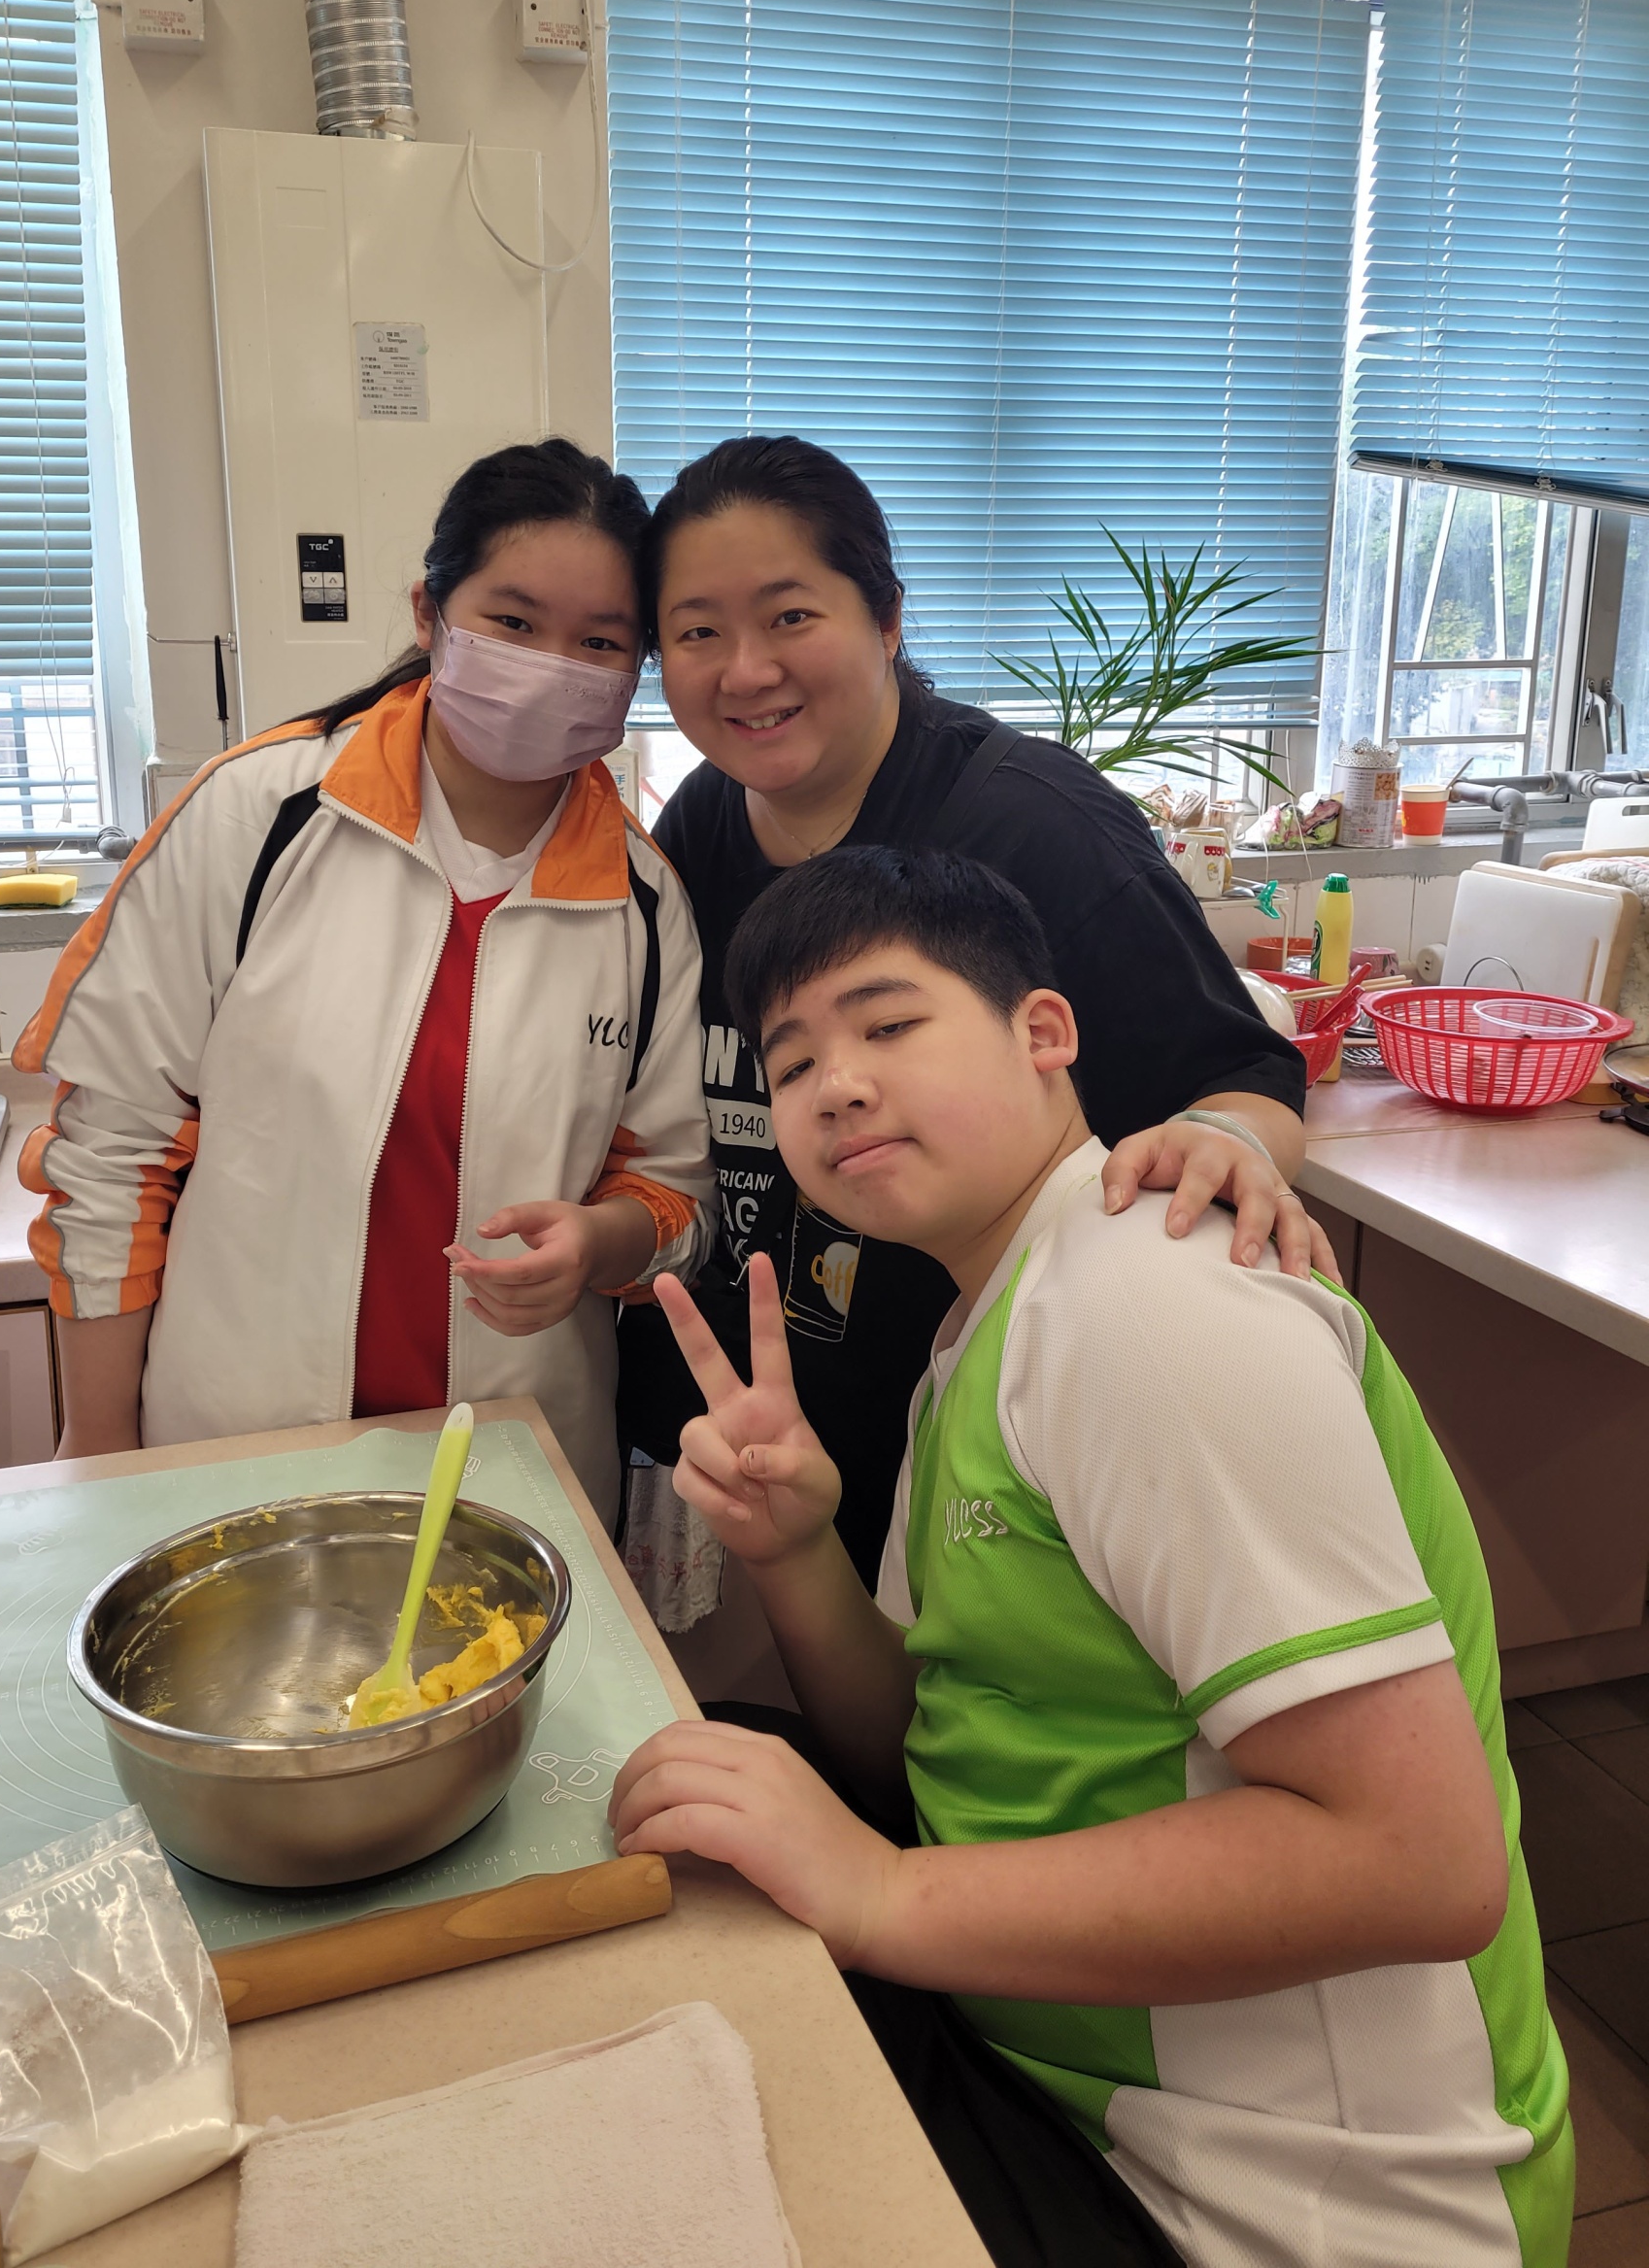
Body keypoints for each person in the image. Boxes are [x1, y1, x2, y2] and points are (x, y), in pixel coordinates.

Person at [613, 845, 1569, 2268]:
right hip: (1068, 2080)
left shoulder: (1142, 1305)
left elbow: (1421, 1861)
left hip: (1276, 2201)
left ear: (1044, 1033)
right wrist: (796, 1549)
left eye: (889, 1024)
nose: (837, 1086)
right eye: (792, 1060)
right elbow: (928, 1742)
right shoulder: (987, 1326)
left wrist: (880, 1897)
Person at [617, 435, 1327, 1596]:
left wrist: (1223, 1144)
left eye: (791, 616)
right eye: (697, 633)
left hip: (1012, 1460)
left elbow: (1246, 1077)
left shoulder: (1037, 829)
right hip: (800, 1439)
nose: (745, 671)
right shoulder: (702, 824)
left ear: (888, 617)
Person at [17, 440, 713, 1525]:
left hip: (519, 1476)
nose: (551, 665)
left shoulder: (645, 903)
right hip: (237, 1448)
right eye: (514, 622)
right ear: (430, 612)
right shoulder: (258, 817)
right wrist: (99, 1443)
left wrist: (602, 1244)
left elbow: (676, 1191)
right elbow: (113, 1146)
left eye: (600, 642)